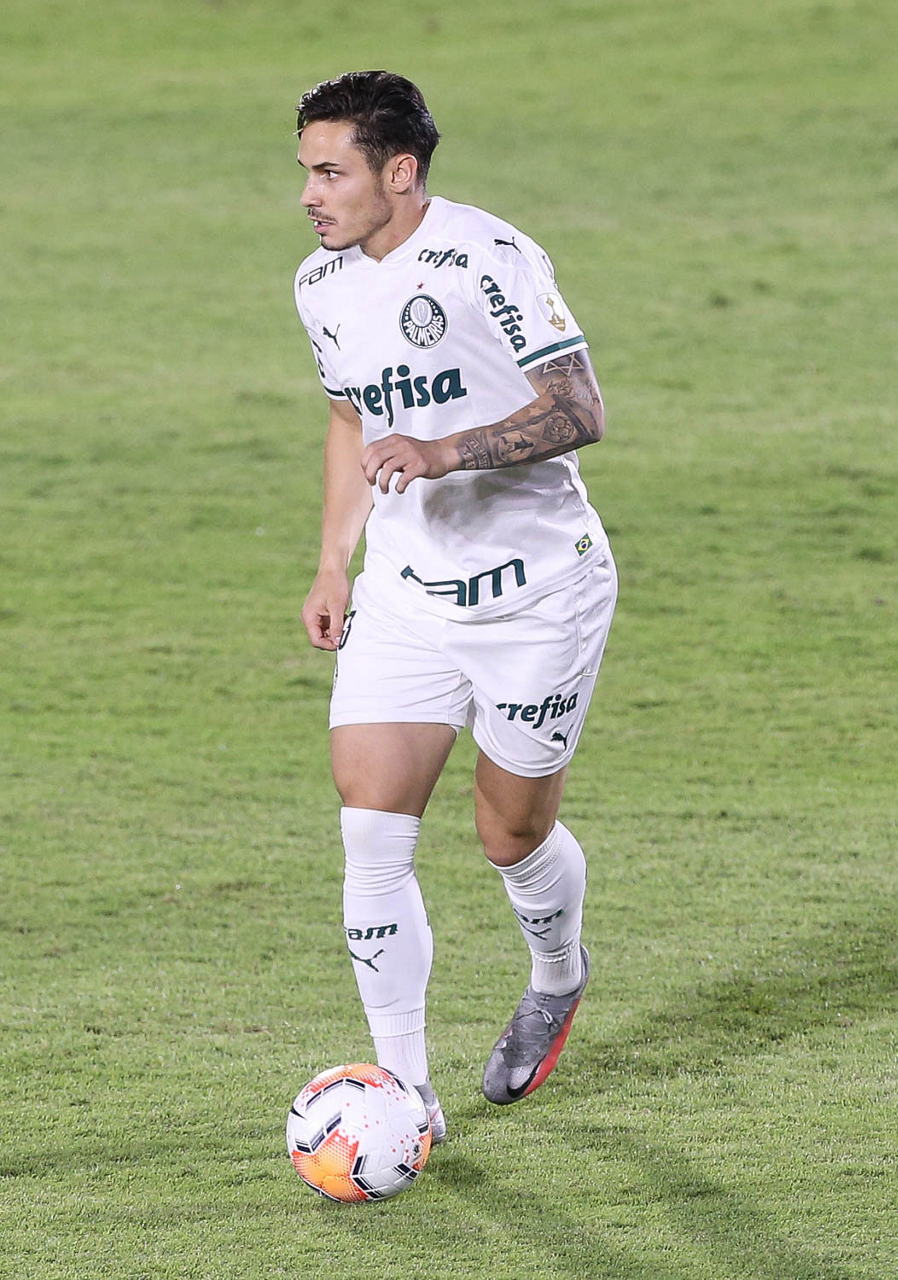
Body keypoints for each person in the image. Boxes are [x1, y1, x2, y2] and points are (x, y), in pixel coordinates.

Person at [294, 71, 617, 1142]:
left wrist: (442, 450)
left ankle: (557, 973)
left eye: (330, 172)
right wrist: (334, 561)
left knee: (510, 833)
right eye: (306, 173)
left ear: (400, 171)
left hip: (538, 597)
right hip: (406, 598)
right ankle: (404, 1096)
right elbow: (351, 420)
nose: (310, 195)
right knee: (371, 832)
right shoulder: (320, 284)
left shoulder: (489, 257)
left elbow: (578, 407)